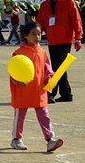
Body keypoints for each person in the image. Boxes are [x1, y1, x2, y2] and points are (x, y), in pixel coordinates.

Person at [9, 21, 63, 153]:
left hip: (39, 91)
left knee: (44, 115)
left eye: (39, 34)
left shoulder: (42, 52)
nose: (37, 37)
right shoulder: (19, 53)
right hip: (23, 91)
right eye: (33, 34)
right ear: (25, 35)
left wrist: (49, 78)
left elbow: (47, 70)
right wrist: (18, 81)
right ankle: (16, 139)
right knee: (20, 116)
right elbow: (13, 71)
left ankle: (50, 140)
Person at [36, 0, 82, 103]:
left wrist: (78, 38)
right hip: (52, 41)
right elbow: (40, 22)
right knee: (60, 67)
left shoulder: (68, 2)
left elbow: (76, 20)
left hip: (66, 40)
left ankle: (50, 93)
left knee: (57, 67)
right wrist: (36, 36)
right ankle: (66, 94)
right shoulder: (44, 5)